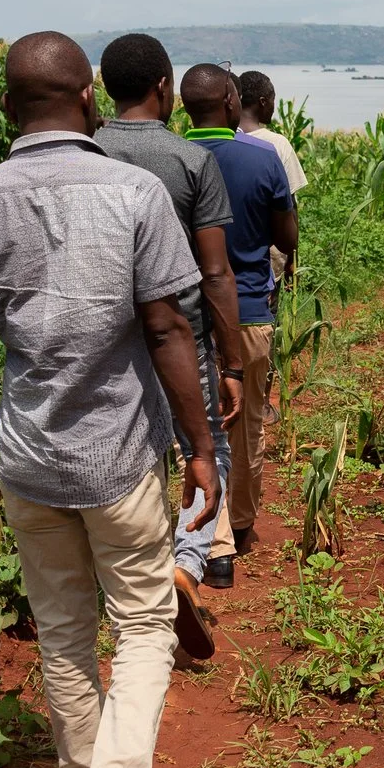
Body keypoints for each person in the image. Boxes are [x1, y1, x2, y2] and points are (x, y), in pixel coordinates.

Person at [0, 31, 219, 768]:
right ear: (88, 98)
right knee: (144, 623)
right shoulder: (134, 193)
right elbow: (167, 326)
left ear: (7, 107)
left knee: (61, 631)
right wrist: (201, 446)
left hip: (29, 460)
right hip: (120, 458)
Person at [93, 33, 248, 613]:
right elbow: (216, 272)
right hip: (183, 333)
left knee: (129, 453)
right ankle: (186, 563)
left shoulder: (86, 153)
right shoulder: (191, 160)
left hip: (107, 337)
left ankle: (129, 571)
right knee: (207, 448)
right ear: (164, 87)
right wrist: (232, 362)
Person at [179, 64, 296, 551]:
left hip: (183, 320)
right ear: (231, 102)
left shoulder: (172, 158)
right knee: (246, 424)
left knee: (193, 427)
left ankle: (201, 533)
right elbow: (287, 239)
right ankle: (240, 525)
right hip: (247, 311)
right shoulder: (263, 156)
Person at [234, 70, 307, 196]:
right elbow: (289, 199)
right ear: (263, 102)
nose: (273, 107)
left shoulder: (225, 138)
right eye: (272, 100)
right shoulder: (278, 144)